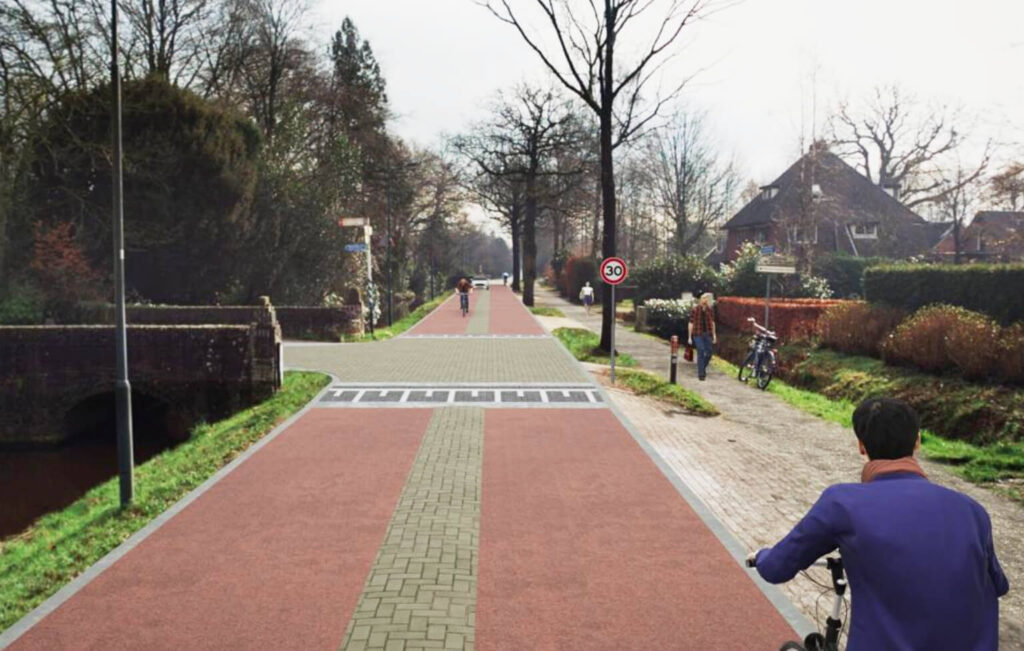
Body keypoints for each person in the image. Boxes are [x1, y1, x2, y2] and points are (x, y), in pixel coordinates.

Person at [749, 398, 1009, 651]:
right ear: (917, 441)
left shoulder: (842, 503)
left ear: (861, 446)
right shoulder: (973, 510)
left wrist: (761, 557)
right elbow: (999, 585)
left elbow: (776, 569)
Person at [687, 292, 716, 381]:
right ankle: (701, 374)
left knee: (709, 352)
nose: (705, 300)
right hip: (697, 333)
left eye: (707, 299)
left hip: (708, 333)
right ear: (700, 300)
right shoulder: (695, 309)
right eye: (704, 298)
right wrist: (689, 337)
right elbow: (691, 323)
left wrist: (714, 335)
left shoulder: (710, 310)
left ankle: (702, 368)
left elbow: (712, 323)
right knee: (701, 351)